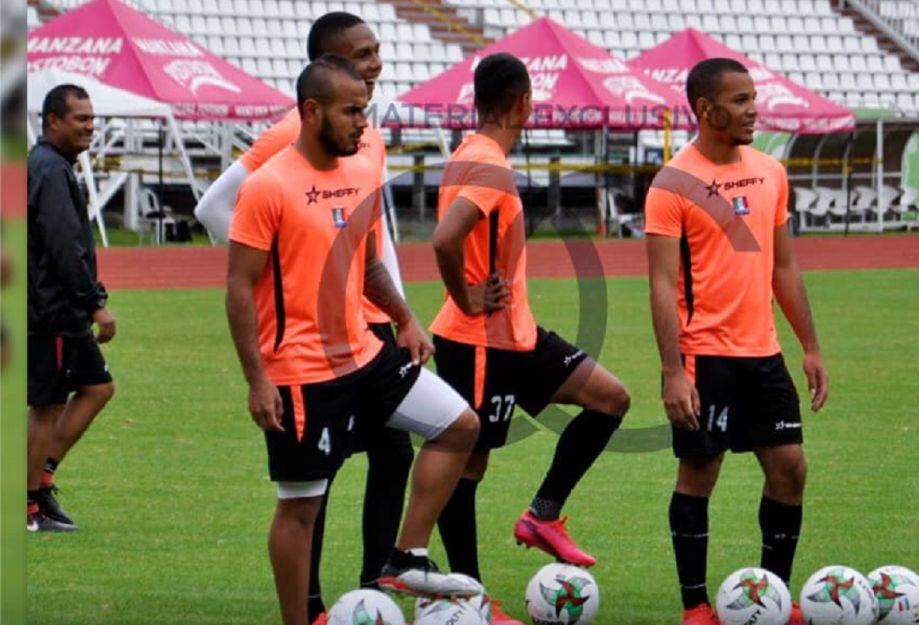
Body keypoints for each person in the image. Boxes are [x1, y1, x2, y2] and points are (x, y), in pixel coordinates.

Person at [226, 55, 482, 625]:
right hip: (300, 376)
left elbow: (368, 266)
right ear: (311, 111)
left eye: (364, 111)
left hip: (367, 359)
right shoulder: (267, 188)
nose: (362, 123)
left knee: (460, 425)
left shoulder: (363, 174)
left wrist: (407, 318)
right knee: (301, 509)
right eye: (350, 112)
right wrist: (256, 379)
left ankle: (404, 556)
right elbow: (239, 288)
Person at [195, 14, 411, 624]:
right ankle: (315, 604)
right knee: (321, 474)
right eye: (362, 54)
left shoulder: (362, 129)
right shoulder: (297, 128)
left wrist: (393, 305)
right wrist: (283, 277)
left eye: (377, 51)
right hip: (318, 340)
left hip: (369, 324)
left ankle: (377, 582)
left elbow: (369, 236)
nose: (376, 63)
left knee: (394, 452)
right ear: (328, 62)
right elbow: (213, 205)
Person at [429, 53, 630, 625]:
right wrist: (466, 298)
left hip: (515, 335)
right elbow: (446, 240)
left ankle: (543, 515)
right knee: (468, 468)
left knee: (610, 398)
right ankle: (469, 598)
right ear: (522, 104)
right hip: (479, 340)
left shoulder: (470, 155)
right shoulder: (487, 166)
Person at [644, 58, 830, 625]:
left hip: (763, 354)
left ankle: (773, 596)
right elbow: (660, 284)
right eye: (741, 100)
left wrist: (811, 346)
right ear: (706, 109)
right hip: (706, 356)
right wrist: (674, 371)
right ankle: (695, 605)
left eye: (754, 98)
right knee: (701, 473)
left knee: (790, 469)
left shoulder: (770, 170)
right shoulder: (672, 183)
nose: (754, 110)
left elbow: (786, 266)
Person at [27, 84, 117, 533]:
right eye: (80, 118)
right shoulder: (49, 169)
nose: (90, 126)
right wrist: (95, 304)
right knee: (45, 406)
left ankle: (40, 482)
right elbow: (65, 247)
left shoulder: (50, 166)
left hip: (54, 310)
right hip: (53, 312)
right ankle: (26, 506)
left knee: (98, 387)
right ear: (52, 122)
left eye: (91, 117)